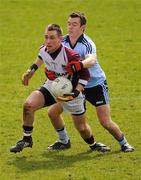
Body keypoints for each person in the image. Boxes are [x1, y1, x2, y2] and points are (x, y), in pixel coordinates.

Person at [10, 23, 110, 153]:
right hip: (53, 85)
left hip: (71, 92)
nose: (48, 41)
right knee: (28, 105)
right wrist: (31, 70)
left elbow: (85, 74)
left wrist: (75, 92)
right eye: (46, 37)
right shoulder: (43, 49)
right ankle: (27, 139)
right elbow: (41, 58)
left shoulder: (70, 55)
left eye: (52, 38)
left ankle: (93, 144)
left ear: (60, 39)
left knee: (82, 128)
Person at [46, 12, 134, 152]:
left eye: (74, 24)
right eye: (69, 23)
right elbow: (48, 52)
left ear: (83, 27)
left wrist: (78, 65)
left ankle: (124, 143)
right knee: (53, 113)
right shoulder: (62, 41)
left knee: (105, 121)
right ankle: (64, 141)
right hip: (75, 86)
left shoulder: (87, 43)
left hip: (95, 85)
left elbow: (91, 60)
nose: (70, 27)